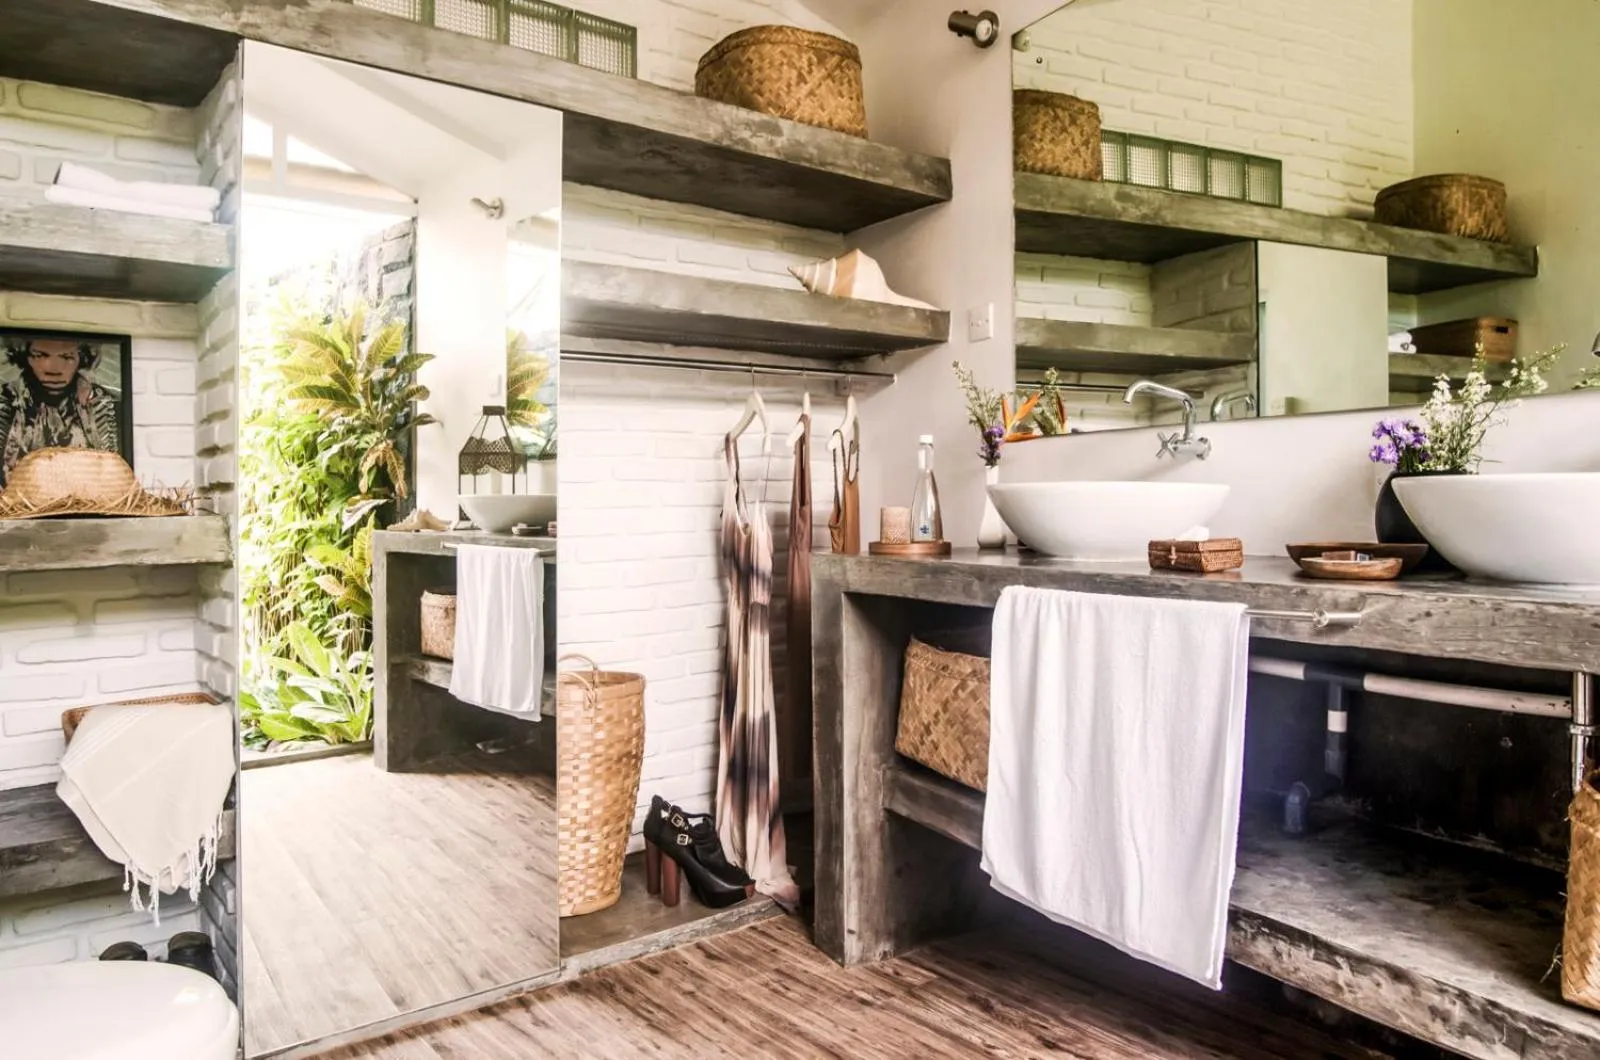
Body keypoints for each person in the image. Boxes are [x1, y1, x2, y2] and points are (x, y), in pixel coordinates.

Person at [0, 337, 125, 488]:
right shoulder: (6, 401)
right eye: (40, 355)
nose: (54, 369)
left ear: (82, 357)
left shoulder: (108, 406)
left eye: (67, 357)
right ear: (26, 356)